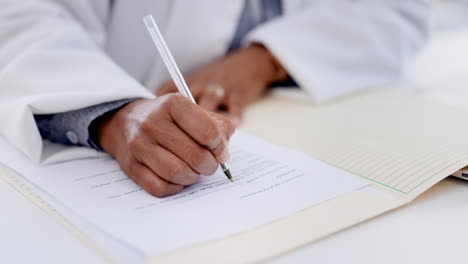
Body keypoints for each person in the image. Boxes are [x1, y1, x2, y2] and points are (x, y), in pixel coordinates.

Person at [0, 0, 429, 197]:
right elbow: (22, 19)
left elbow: (396, 10)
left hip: (321, 112)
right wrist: (118, 115)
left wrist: (265, 60)